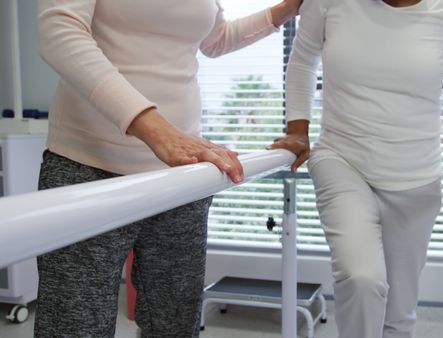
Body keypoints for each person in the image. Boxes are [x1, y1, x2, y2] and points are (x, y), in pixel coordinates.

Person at [35, 0, 301, 336]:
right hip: (89, 167)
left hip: (181, 178)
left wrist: (290, 7)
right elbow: (60, 30)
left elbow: (215, 38)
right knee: (75, 326)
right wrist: (155, 129)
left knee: (174, 324)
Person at [269, 0, 443, 337]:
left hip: (416, 175)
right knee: (361, 278)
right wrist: (297, 131)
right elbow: (303, 60)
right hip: (342, 158)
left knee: (398, 317)